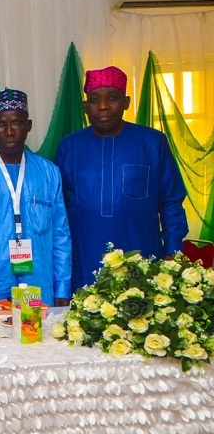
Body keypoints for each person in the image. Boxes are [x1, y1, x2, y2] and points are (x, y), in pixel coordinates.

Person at [56, 66, 188, 290]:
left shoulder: (152, 142)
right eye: (95, 99)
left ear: (126, 102)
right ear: (85, 107)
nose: (103, 106)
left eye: (113, 98)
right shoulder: (70, 146)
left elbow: (171, 202)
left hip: (142, 260)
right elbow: (58, 210)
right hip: (85, 262)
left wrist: (172, 254)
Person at [0, 89, 72, 305]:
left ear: (28, 126)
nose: (9, 132)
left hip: (39, 284)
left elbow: (60, 235)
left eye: (17, 124)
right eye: (1, 125)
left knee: (34, 336)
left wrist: (62, 288)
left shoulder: (48, 173)